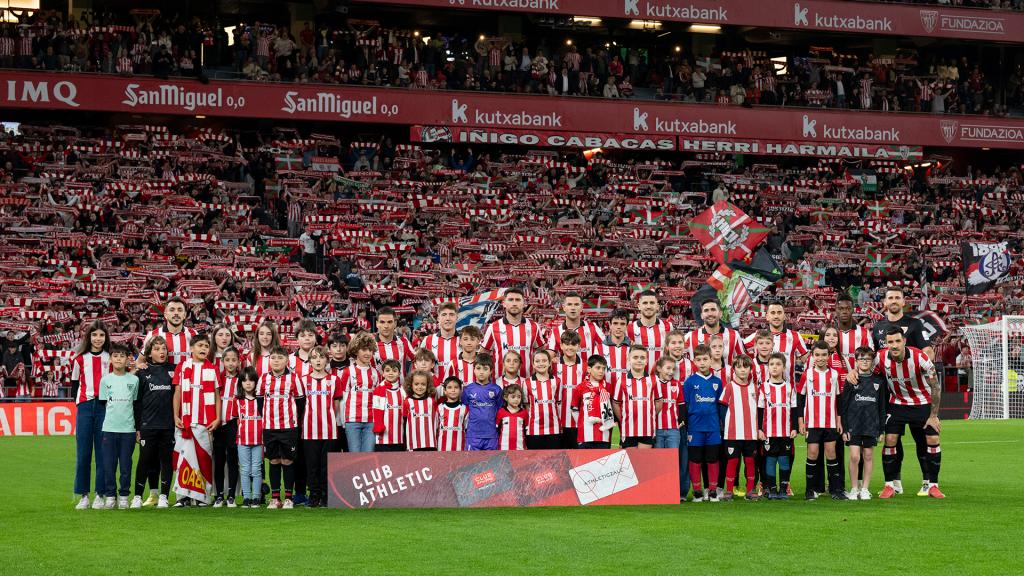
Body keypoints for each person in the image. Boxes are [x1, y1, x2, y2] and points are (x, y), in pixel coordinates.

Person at [850, 327, 945, 499]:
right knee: (890, 439)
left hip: (922, 402)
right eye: (890, 342)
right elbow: (866, 369)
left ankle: (933, 485)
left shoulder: (920, 357)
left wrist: (933, 416)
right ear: (886, 343)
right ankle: (889, 485)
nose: (894, 345)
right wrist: (854, 371)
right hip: (897, 403)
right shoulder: (880, 357)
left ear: (904, 341)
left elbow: (935, 386)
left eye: (897, 341)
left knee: (933, 439)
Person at [870, 286, 935, 496]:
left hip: (916, 393)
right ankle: (894, 482)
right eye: (890, 298)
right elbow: (874, 358)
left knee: (921, 439)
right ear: (884, 303)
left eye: (898, 297)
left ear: (904, 302)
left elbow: (928, 350)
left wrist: (922, 365)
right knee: (892, 439)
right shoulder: (878, 327)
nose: (894, 301)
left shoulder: (915, 324)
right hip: (890, 394)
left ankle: (928, 481)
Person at [172, 334, 222, 507]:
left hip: (205, 422)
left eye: (206, 346)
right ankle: (182, 497)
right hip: (185, 422)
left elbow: (217, 396)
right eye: (200, 345)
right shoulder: (182, 367)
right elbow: (177, 392)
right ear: (191, 348)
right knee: (183, 459)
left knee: (204, 459)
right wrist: (175, 415)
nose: (203, 348)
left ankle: (202, 497)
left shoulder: (212, 369)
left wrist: (217, 418)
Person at [257, 345, 303, 509]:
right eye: (273, 358)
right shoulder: (263, 378)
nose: (276, 361)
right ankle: (275, 498)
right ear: (269, 360)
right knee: (274, 460)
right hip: (269, 427)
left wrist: (293, 420)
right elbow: (260, 401)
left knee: (287, 460)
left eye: (280, 358)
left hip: (289, 428)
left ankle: (288, 498)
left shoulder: (294, 378)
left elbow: (300, 402)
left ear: (287, 361)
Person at [132, 336, 175, 509]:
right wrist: (137, 427)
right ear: (149, 353)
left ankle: (164, 496)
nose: (161, 352)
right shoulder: (142, 372)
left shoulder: (174, 370)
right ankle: (137, 497)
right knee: (145, 460)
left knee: (166, 461)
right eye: (157, 349)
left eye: (164, 349)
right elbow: (137, 402)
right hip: (148, 425)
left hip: (168, 425)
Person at [798, 341, 845, 500]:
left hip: (830, 422)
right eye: (817, 355)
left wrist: (839, 420)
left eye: (824, 355)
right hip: (812, 422)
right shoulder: (807, 374)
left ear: (829, 356)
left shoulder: (834, 374)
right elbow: (800, 398)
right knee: (812, 453)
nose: (820, 358)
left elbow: (839, 399)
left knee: (831, 453)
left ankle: (836, 490)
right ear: (812, 356)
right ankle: (810, 490)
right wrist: (800, 421)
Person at [72, 321, 111, 510]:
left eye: (101, 335)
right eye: (94, 335)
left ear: (106, 337)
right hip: (85, 408)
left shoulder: (110, 358)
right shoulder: (79, 359)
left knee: (103, 454)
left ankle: (100, 494)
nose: (98, 338)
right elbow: (74, 384)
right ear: (89, 337)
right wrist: (80, 404)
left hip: (105, 408)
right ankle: (83, 495)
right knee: (83, 453)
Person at [839, 347, 887, 501]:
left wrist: (881, 429)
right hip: (853, 425)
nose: (865, 361)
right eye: (861, 359)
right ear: (856, 361)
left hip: (870, 425)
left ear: (872, 361)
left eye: (868, 359)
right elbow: (844, 405)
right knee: (854, 457)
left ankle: (865, 489)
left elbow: (881, 407)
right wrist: (845, 428)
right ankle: (854, 488)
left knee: (868, 455)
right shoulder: (851, 380)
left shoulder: (878, 381)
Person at [99, 343, 139, 509]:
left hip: (128, 430)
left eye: (122, 356)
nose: (118, 359)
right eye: (115, 356)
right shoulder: (105, 380)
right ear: (110, 359)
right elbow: (103, 402)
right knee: (109, 466)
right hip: (109, 429)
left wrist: (137, 429)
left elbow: (135, 405)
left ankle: (123, 496)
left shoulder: (134, 380)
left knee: (125, 466)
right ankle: (110, 496)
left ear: (127, 359)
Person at [681, 344, 722, 502]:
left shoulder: (717, 382)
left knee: (712, 458)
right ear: (694, 362)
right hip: (695, 428)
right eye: (698, 360)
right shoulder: (690, 382)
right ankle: (697, 492)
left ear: (711, 360)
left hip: (713, 427)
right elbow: (685, 404)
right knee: (695, 459)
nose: (702, 362)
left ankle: (712, 491)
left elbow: (720, 405)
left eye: (705, 359)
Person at [302, 346, 342, 507]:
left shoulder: (334, 380)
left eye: (321, 357)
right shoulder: (303, 380)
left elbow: (336, 404)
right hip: (309, 431)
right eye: (314, 357)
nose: (318, 360)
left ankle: (326, 496)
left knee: (327, 466)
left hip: (329, 430)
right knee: (312, 466)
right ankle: (314, 496)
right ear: (310, 361)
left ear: (327, 360)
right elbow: (301, 405)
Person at [757, 353, 799, 500]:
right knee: (770, 460)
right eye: (771, 364)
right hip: (769, 432)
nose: (774, 367)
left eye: (778, 364)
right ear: (768, 367)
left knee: (784, 460)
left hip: (786, 432)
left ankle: (783, 489)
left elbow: (794, 409)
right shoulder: (763, 387)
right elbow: (760, 410)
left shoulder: (789, 388)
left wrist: (794, 428)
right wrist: (759, 429)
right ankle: (772, 489)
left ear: (784, 367)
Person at [720, 355, 759, 500]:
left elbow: (760, 409)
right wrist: (725, 427)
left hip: (751, 433)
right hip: (733, 433)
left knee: (750, 461)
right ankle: (729, 491)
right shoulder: (729, 387)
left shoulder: (755, 388)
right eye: (739, 367)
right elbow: (722, 408)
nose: (742, 370)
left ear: (750, 369)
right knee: (732, 461)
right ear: (734, 369)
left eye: (746, 367)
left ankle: (750, 490)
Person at [482, 288, 543, 377]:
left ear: (524, 304)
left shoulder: (534, 327)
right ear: (504, 303)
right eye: (510, 300)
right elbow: (483, 354)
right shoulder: (493, 327)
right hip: (500, 382)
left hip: (527, 382)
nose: (514, 303)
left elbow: (541, 353)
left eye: (518, 300)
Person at [746, 302, 808, 384]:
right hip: (762, 390)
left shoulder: (795, 336)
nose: (776, 316)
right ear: (767, 317)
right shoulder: (757, 335)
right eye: (773, 313)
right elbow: (738, 352)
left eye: (779, 313)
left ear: (784, 316)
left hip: (787, 389)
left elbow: (807, 360)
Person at [653, 356, 688, 502]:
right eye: (668, 368)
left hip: (674, 430)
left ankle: (673, 492)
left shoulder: (676, 384)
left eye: (673, 369)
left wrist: (682, 420)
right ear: (659, 368)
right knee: (659, 462)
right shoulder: (652, 383)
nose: (671, 371)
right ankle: (659, 492)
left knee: (673, 461)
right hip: (657, 429)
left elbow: (681, 404)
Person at [339, 333, 381, 453]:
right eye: (364, 349)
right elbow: (343, 398)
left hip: (371, 420)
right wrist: (343, 421)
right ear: (356, 350)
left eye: (370, 350)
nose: (368, 353)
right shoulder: (347, 372)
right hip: (352, 420)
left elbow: (378, 399)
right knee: (355, 456)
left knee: (368, 454)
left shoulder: (376, 373)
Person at [212, 347, 241, 508]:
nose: (230, 363)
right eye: (227, 360)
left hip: (233, 424)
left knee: (232, 460)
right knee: (219, 460)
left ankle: (231, 496)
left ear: (239, 362)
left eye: (234, 360)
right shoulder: (218, 378)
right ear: (222, 361)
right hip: (218, 425)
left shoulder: (242, 380)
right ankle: (219, 495)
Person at [613, 345, 656, 449]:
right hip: (628, 429)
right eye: (635, 357)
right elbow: (616, 403)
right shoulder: (621, 380)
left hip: (647, 429)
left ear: (647, 361)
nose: (639, 360)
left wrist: (649, 414)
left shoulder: (654, 380)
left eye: (642, 358)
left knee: (643, 459)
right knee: (630, 459)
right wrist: (624, 418)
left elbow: (658, 402)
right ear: (629, 359)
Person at [235, 367, 263, 508]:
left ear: (256, 382)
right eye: (245, 380)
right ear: (240, 383)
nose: (248, 383)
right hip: (242, 440)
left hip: (259, 440)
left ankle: (256, 497)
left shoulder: (261, 400)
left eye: (251, 380)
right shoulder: (237, 400)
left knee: (256, 470)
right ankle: (246, 497)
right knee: (245, 469)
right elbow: (236, 420)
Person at [139, 297, 195, 368]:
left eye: (180, 310)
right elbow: (140, 361)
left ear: (184, 315)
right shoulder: (153, 334)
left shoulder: (194, 334)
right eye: (172, 310)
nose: (176, 313)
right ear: (165, 315)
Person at [684, 299, 745, 364]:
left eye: (713, 310)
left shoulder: (734, 335)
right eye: (706, 310)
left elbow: (742, 361)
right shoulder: (690, 337)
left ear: (720, 314)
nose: (710, 314)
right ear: (702, 315)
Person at [572, 354, 615, 449]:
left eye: (603, 368)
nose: (601, 371)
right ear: (589, 369)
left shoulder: (608, 387)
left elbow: (611, 408)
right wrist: (582, 424)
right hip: (585, 435)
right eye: (598, 368)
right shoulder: (580, 387)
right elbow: (574, 410)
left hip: (604, 435)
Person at [547, 292, 605, 361]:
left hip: (588, 368)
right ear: (564, 307)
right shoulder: (555, 332)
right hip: (565, 368)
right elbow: (549, 355)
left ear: (581, 307)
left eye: (576, 304)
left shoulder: (593, 327)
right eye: (569, 304)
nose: (573, 308)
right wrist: (552, 359)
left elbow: (606, 348)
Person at [463, 352, 502, 450]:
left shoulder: (496, 389)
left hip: (491, 435)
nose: (481, 372)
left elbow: (500, 410)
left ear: (491, 371)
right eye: (478, 368)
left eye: (485, 369)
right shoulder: (468, 390)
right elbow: (465, 411)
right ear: (474, 369)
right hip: (473, 435)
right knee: (471, 459)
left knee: (491, 460)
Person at [628, 291, 673, 374]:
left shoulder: (668, 327)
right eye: (645, 303)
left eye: (652, 303)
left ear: (657, 306)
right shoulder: (630, 329)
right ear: (639, 306)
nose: (648, 306)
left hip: (661, 378)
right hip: (638, 378)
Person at [524, 349, 561, 449]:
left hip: (554, 428)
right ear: (533, 364)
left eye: (544, 361)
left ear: (549, 363)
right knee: (535, 458)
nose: (541, 363)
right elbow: (526, 405)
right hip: (534, 429)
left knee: (554, 457)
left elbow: (558, 402)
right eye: (537, 361)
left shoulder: (557, 381)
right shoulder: (527, 382)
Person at [555, 331, 585, 449]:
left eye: (573, 344)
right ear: (561, 346)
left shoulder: (585, 367)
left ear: (578, 346)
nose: (570, 347)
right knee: (560, 457)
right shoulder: (553, 366)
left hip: (578, 422)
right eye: (567, 344)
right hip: (558, 421)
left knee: (578, 456)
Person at [416, 302, 460, 379]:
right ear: (438, 318)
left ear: (457, 318)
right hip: (434, 386)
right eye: (444, 315)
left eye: (451, 314)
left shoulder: (464, 341)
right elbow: (418, 366)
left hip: (459, 386)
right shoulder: (428, 340)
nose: (448, 318)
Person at [372, 359, 408, 452]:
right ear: (383, 373)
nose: (391, 373)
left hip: (399, 435)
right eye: (387, 370)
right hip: (382, 436)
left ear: (399, 374)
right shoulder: (378, 390)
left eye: (394, 371)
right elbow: (376, 410)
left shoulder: (403, 391)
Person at [594, 309, 632, 388]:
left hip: (627, 392)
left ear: (627, 326)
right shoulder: (599, 349)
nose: (618, 327)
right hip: (606, 393)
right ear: (610, 325)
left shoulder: (632, 349)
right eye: (615, 323)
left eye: (622, 324)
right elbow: (594, 376)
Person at [375, 307, 415, 379]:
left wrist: (411, 379)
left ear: (395, 323)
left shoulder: (404, 342)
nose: (386, 326)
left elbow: (417, 361)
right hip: (378, 386)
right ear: (377, 324)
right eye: (382, 322)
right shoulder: (369, 344)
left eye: (389, 322)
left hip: (400, 386)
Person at [403, 370, 437, 451]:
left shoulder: (431, 401)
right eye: (416, 384)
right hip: (414, 443)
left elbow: (436, 420)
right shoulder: (407, 402)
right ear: (411, 385)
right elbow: (405, 422)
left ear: (428, 385)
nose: (420, 387)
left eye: (423, 384)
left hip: (430, 443)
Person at [835, 294, 873, 359]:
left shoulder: (864, 333)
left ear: (853, 310)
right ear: (836, 310)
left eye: (848, 308)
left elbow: (870, 358)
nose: (844, 312)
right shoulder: (829, 333)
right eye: (840, 308)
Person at [436, 376, 468, 451]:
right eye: (449, 387)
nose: (453, 390)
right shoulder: (440, 408)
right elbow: (435, 429)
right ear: (444, 391)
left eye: (456, 387)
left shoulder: (464, 409)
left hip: (459, 448)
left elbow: (467, 428)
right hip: (442, 449)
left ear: (461, 390)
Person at [497, 384, 528, 450]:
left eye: (519, 397)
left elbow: (526, 431)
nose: (516, 399)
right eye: (513, 397)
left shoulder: (524, 413)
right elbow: (497, 430)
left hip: (520, 447)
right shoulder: (501, 412)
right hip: (504, 447)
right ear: (505, 397)